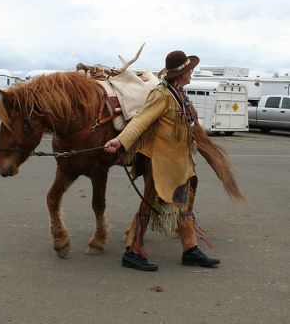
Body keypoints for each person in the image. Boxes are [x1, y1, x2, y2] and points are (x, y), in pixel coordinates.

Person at [104, 50, 246, 272]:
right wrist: (119, 141)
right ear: (181, 73)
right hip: (159, 163)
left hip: (180, 163)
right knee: (149, 204)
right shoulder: (161, 95)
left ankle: (190, 249)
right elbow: (140, 121)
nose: (192, 74)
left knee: (185, 202)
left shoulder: (178, 93)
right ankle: (132, 251)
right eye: (190, 71)